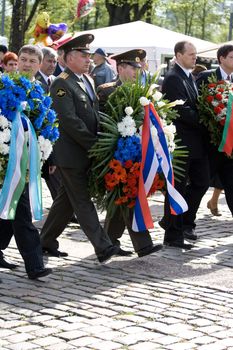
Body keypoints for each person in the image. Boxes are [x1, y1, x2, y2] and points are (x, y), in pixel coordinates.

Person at [40, 33, 123, 262]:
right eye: (82, 55)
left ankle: (45, 241)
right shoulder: (61, 82)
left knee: (66, 202)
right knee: (82, 200)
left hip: (84, 152)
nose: (88, 59)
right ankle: (103, 246)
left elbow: (93, 115)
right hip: (70, 154)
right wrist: (96, 145)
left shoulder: (86, 79)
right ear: (67, 58)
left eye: (88, 55)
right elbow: (70, 121)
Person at [97, 49, 163, 257]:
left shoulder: (143, 92)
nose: (137, 71)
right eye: (133, 68)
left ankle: (108, 241)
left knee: (125, 194)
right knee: (127, 193)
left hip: (137, 151)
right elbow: (101, 121)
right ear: (121, 68)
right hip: (115, 151)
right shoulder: (106, 91)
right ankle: (143, 245)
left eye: (138, 67)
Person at [0, 45, 52, 279]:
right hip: (5, 158)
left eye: (32, 61)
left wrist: (44, 154)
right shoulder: (4, 84)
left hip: (26, 160)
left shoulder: (39, 90)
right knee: (19, 210)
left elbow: (44, 126)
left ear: (39, 65)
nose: (27, 64)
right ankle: (35, 265)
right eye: (23, 59)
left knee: (11, 207)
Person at [161, 41, 210, 249]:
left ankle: (176, 221)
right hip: (181, 142)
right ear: (178, 55)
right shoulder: (173, 78)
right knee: (177, 189)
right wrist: (208, 119)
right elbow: (181, 110)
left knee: (202, 181)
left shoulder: (189, 75)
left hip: (195, 142)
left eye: (195, 54)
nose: (194, 57)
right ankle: (173, 234)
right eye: (190, 54)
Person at [196, 44, 233, 218]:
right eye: (232, 57)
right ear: (222, 59)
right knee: (200, 184)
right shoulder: (206, 77)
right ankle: (184, 222)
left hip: (230, 146)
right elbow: (198, 106)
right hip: (210, 143)